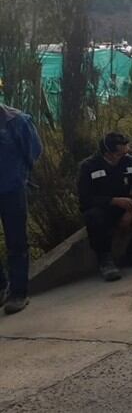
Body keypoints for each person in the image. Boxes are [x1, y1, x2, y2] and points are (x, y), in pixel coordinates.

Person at [78, 132, 132, 282]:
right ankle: (105, 260)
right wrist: (112, 200)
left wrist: (131, 211)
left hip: (128, 208)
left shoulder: (130, 162)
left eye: (125, 152)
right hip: (103, 209)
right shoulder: (88, 166)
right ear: (107, 153)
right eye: (119, 154)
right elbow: (85, 199)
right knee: (93, 217)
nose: (123, 156)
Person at [0, 104, 42, 315]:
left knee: (16, 241)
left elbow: (34, 150)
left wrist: (20, 177)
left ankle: (18, 293)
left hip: (11, 190)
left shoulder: (17, 121)